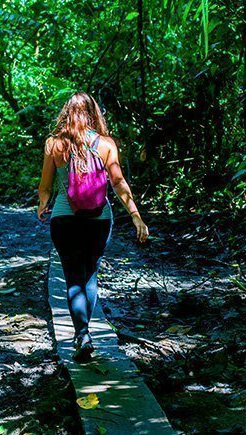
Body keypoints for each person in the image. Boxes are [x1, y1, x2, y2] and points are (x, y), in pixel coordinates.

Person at [37, 92, 149, 362]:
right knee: (89, 274)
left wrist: (42, 205)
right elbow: (119, 184)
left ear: (66, 113)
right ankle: (86, 332)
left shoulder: (54, 144)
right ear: (92, 113)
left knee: (72, 277)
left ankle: (82, 334)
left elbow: (45, 186)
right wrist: (136, 216)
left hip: (64, 220)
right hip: (99, 220)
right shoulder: (107, 144)